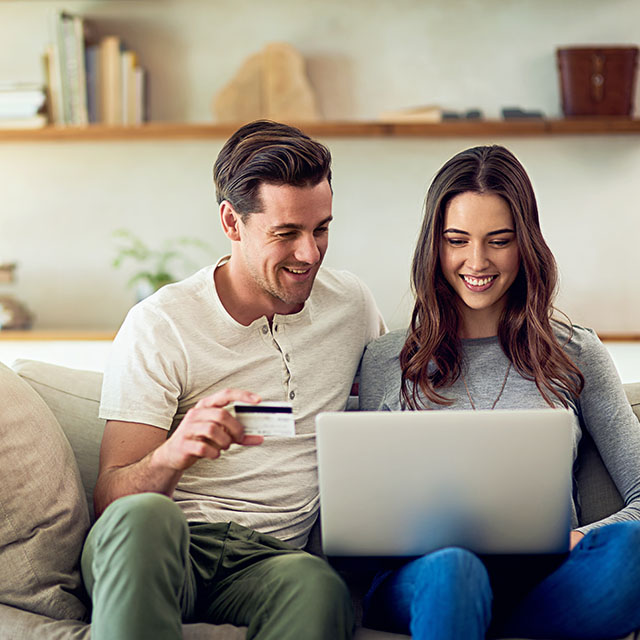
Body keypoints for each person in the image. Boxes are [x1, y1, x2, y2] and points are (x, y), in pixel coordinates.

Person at [81, 120, 385, 640]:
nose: (309, 254)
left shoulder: (350, 305)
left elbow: (399, 397)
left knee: (317, 584)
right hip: (165, 544)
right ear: (231, 221)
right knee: (145, 519)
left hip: (267, 562)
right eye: (286, 233)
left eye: (321, 229)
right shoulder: (162, 323)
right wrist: (175, 453)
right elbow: (112, 501)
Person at [359, 145, 640, 639]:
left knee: (631, 552)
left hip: (542, 583)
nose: (477, 260)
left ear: (525, 243)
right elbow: (363, 517)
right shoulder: (388, 359)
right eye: (457, 240)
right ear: (435, 245)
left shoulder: (576, 352)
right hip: (429, 579)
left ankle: (486, 622)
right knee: (456, 572)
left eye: (499, 240)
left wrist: (575, 537)